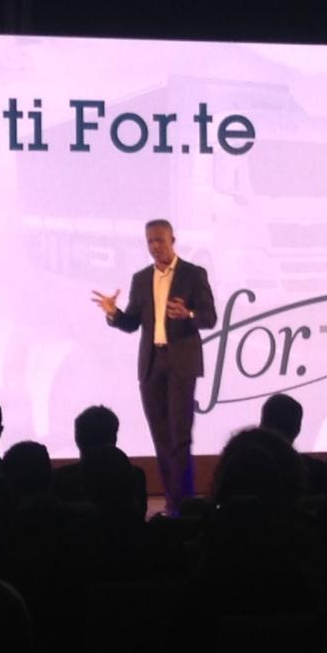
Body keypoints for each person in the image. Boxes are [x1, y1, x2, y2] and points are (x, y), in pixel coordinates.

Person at [92, 219, 216, 515]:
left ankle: (181, 504)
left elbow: (210, 318)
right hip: (151, 364)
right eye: (150, 241)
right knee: (161, 436)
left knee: (180, 435)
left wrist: (188, 314)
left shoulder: (193, 274)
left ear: (173, 239)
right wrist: (113, 314)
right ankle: (174, 501)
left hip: (181, 362)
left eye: (160, 240)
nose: (155, 246)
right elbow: (132, 323)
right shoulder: (141, 278)